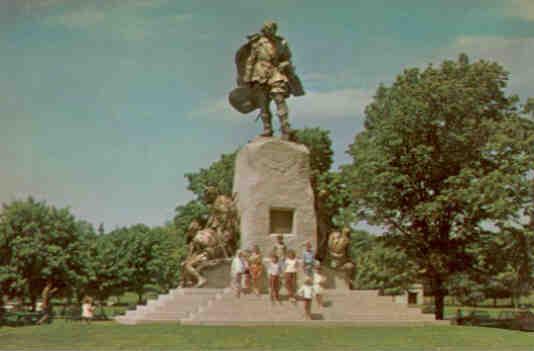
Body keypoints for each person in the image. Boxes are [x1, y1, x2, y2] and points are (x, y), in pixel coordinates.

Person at [230, 20, 305, 140]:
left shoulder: (281, 42)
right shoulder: (257, 43)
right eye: (268, 29)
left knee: (279, 98)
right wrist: (247, 79)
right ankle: (267, 129)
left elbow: (287, 58)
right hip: (259, 75)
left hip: (276, 72)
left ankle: (285, 127)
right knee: (263, 103)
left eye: (273, 29)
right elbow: (250, 61)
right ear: (264, 30)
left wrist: (284, 64)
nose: (270, 32)